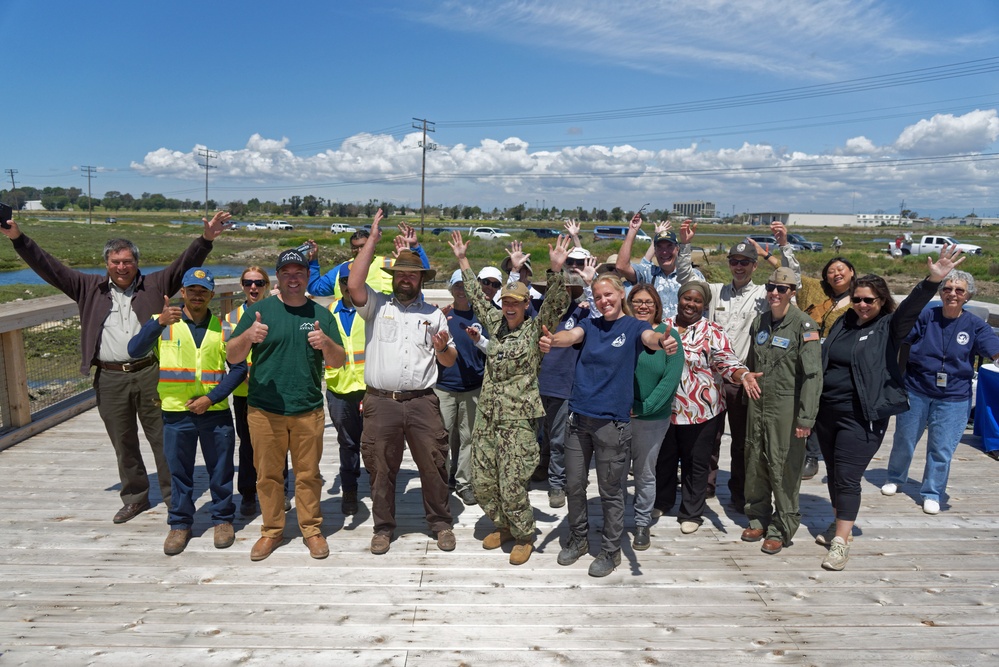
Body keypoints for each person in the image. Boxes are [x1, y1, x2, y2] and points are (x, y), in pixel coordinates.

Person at [1, 212, 231, 523]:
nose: (121, 267)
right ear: (107, 264)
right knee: (122, 440)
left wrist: (206, 239)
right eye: (115, 261)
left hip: (150, 371)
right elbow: (49, 266)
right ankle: (136, 497)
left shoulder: (155, 284)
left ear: (137, 262)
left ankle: (173, 497)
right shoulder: (87, 287)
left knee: (162, 438)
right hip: (109, 376)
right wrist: (19, 238)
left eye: (127, 261)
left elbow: (183, 263)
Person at [814, 247, 964, 571]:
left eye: (869, 300)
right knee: (834, 474)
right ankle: (841, 522)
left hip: (863, 416)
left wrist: (933, 280)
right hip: (828, 413)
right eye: (857, 299)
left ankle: (841, 541)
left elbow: (910, 308)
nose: (862, 305)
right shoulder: (843, 324)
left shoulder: (889, 327)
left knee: (848, 478)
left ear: (881, 301)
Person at [540, 273, 678, 577]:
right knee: (574, 485)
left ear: (621, 294)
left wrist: (662, 340)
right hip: (579, 420)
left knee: (610, 490)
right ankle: (577, 539)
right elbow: (571, 335)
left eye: (609, 295)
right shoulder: (590, 324)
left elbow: (650, 339)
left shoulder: (634, 327)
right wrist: (553, 340)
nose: (604, 301)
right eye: (599, 297)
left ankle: (611, 550)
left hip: (612, 426)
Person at [449, 230, 571, 565]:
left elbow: (558, 304)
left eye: (516, 303)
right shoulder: (496, 324)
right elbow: (475, 297)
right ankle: (503, 524)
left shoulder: (534, 330)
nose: (510, 308)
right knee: (485, 480)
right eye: (506, 302)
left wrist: (556, 270)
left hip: (518, 421)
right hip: (488, 415)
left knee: (514, 481)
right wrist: (462, 260)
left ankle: (524, 535)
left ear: (526, 304)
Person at [348, 209, 458, 556]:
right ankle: (383, 528)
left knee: (434, 465)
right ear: (393, 277)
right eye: (401, 274)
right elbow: (353, 283)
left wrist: (442, 350)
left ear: (421, 279)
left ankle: (440, 523)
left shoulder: (435, 314)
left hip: (423, 401)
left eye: (412, 274)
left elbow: (449, 360)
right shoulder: (376, 306)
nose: (406, 279)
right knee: (381, 468)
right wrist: (373, 240)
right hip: (381, 402)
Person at [228, 248, 346, 561]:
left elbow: (339, 360)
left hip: (308, 410)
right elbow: (232, 355)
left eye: (299, 273)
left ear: (308, 276)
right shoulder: (260, 311)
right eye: (286, 273)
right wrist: (248, 336)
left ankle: (311, 529)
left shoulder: (321, 315)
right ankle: (272, 530)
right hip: (264, 411)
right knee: (267, 476)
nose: (293, 278)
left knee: (308, 475)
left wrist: (327, 343)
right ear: (277, 277)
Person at [676, 219, 799, 510]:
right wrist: (685, 245)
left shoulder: (763, 296)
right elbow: (686, 278)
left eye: (745, 261)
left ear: (755, 266)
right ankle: (703, 487)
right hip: (712, 381)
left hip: (745, 378)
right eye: (735, 261)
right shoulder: (715, 291)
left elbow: (793, 280)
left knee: (745, 442)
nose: (739, 266)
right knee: (708, 440)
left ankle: (741, 491)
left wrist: (783, 246)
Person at [127, 268, 247, 555]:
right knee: (179, 472)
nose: (197, 295)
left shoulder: (224, 328)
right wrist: (157, 324)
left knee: (221, 469)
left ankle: (222, 519)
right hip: (176, 413)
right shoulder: (163, 323)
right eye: (192, 289)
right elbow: (134, 350)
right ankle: (180, 524)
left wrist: (211, 397)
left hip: (214, 411)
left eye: (203, 290)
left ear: (211, 295)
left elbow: (239, 368)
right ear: (183, 292)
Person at [882, 270, 999, 514]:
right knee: (904, 439)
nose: (952, 294)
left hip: (954, 397)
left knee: (942, 447)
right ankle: (895, 477)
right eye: (947, 289)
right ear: (940, 292)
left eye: (959, 290)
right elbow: (899, 334)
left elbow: (994, 350)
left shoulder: (976, 325)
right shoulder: (927, 316)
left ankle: (932, 492)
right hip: (917, 388)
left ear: (968, 296)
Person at [654, 280, 761, 534]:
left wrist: (742, 374)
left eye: (697, 301)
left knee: (697, 462)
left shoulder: (713, 330)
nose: (691, 304)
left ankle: (691, 511)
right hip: (666, 409)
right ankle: (663, 500)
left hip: (703, 410)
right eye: (686, 299)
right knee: (664, 458)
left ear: (704, 305)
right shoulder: (663, 327)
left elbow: (727, 360)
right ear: (679, 299)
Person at [742, 268, 822, 555]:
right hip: (758, 404)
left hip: (786, 407)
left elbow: (813, 377)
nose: (775, 293)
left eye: (782, 288)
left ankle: (782, 526)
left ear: (793, 292)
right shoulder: (760, 322)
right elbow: (752, 363)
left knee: (784, 466)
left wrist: (806, 417)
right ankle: (757, 517)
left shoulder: (804, 326)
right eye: (771, 286)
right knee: (755, 461)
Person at [224, 266, 285, 518]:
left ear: (267, 286)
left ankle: (280, 492)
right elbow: (230, 356)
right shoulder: (230, 319)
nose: (253, 288)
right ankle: (248, 494)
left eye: (259, 283)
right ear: (241, 285)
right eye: (248, 283)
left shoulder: (278, 312)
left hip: (274, 391)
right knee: (248, 444)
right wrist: (250, 379)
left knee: (278, 444)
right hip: (244, 393)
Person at [627, 285, 683, 551]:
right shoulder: (623, 332)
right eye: (637, 301)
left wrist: (643, 408)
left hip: (650, 418)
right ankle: (615, 521)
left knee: (645, 473)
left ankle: (641, 524)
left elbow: (670, 380)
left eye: (648, 302)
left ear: (657, 305)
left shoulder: (668, 335)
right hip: (619, 414)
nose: (643, 306)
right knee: (613, 473)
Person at [792, 255, 858, 480]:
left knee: (821, 406)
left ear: (851, 271)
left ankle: (813, 455)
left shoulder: (860, 299)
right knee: (804, 401)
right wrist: (777, 250)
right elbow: (793, 273)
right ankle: (800, 451)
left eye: (841, 269)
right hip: (809, 355)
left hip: (838, 361)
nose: (836, 274)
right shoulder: (819, 293)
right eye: (831, 271)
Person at [435, 268, 489, 507]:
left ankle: (464, 483)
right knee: (441, 438)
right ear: (451, 289)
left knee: (468, 438)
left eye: (465, 286)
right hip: (444, 387)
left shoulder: (483, 317)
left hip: (473, 388)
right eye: (457, 286)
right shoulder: (442, 316)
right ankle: (442, 480)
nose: (461, 291)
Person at [322, 262, 368, 516]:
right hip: (339, 388)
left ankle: (379, 487)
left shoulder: (370, 310)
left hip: (370, 388)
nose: (349, 286)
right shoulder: (327, 313)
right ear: (339, 286)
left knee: (374, 443)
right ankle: (349, 491)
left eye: (354, 281)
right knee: (347, 443)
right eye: (344, 282)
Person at [615, 214, 703, 320]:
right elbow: (621, 266)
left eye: (669, 246)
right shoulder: (648, 273)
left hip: (683, 334)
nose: (664, 252)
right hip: (654, 333)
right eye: (660, 247)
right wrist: (633, 230)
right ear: (655, 252)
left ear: (677, 249)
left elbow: (703, 307)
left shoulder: (693, 276)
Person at [308, 223, 429, 299]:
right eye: (355, 247)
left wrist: (415, 247)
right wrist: (313, 261)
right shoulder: (342, 269)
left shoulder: (390, 265)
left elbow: (423, 273)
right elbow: (315, 288)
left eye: (363, 246)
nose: (360, 251)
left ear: (373, 246)